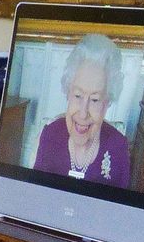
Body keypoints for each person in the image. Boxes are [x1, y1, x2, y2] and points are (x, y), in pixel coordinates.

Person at [34, 34, 130, 189]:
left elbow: (120, 211)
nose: (83, 113)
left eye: (95, 100)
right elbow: (34, 197)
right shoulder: (49, 135)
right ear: (68, 93)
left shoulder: (118, 147)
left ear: (107, 103)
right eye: (78, 96)